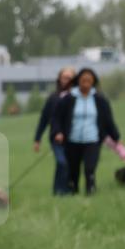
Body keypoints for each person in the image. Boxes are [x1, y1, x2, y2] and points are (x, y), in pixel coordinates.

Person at [51, 68, 121, 196]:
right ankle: (74, 192)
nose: (86, 82)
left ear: (93, 81)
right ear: (78, 81)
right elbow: (56, 117)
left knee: (90, 169)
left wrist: (116, 137)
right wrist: (58, 132)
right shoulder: (69, 98)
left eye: (89, 79)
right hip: (72, 140)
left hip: (92, 140)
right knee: (74, 170)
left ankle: (91, 192)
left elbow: (108, 119)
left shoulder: (99, 99)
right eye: (83, 79)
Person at [32, 66, 76, 195]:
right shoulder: (53, 98)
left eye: (70, 78)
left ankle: (59, 190)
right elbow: (44, 119)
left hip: (74, 138)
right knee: (62, 163)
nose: (66, 80)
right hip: (56, 138)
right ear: (60, 79)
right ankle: (62, 191)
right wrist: (37, 139)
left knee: (67, 164)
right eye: (64, 77)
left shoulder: (77, 97)